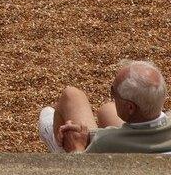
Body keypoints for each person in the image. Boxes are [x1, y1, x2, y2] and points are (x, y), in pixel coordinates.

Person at [39, 60, 171, 153]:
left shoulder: (105, 143)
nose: (112, 94)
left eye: (114, 91)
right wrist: (89, 134)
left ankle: (58, 149)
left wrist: (77, 148)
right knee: (108, 110)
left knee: (70, 95)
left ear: (130, 107)